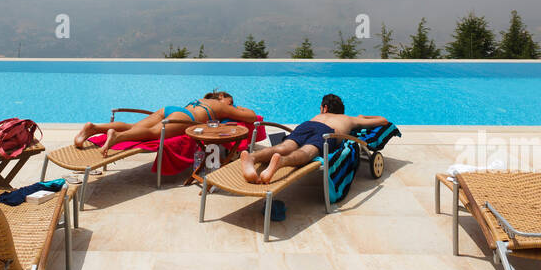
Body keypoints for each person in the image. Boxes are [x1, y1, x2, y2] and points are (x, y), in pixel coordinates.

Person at [240, 93, 388, 184]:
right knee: (307, 152)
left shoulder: (319, 115)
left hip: (308, 125)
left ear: (324, 108)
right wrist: (362, 117)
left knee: (284, 147)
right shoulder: (348, 119)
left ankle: (252, 157)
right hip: (328, 132)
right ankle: (281, 162)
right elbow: (383, 121)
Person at [74, 91, 258, 154]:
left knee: (135, 127)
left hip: (171, 109)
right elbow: (251, 117)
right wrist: (238, 108)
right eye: (231, 101)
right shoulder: (220, 105)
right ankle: (117, 137)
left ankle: (94, 128)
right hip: (186, 119)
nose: (232, 106)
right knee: (154, 134)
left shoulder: (202, 100)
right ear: (222, 96)